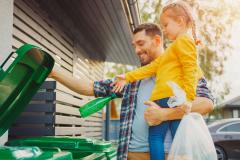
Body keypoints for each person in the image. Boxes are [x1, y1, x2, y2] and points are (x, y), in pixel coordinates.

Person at [49, 23, 214, 160]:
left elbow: (205, 104)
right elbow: (90, 87)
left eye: (141, 43)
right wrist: (53, 72)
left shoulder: (185, 70)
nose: (136, 50)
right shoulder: (132, 80)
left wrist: (163, 114)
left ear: (157, 41)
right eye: (134, 45)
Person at [112, 1, 203, 159]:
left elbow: (191, 69)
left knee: (156, 137)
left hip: (167, 99)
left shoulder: (184, 42)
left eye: (166, 25)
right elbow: (151, 68)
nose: (164, 30)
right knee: (178, 137)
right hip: (169, 100)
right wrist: (127, 77)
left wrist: (188, 97)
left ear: (180, 21)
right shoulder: (173, 49)